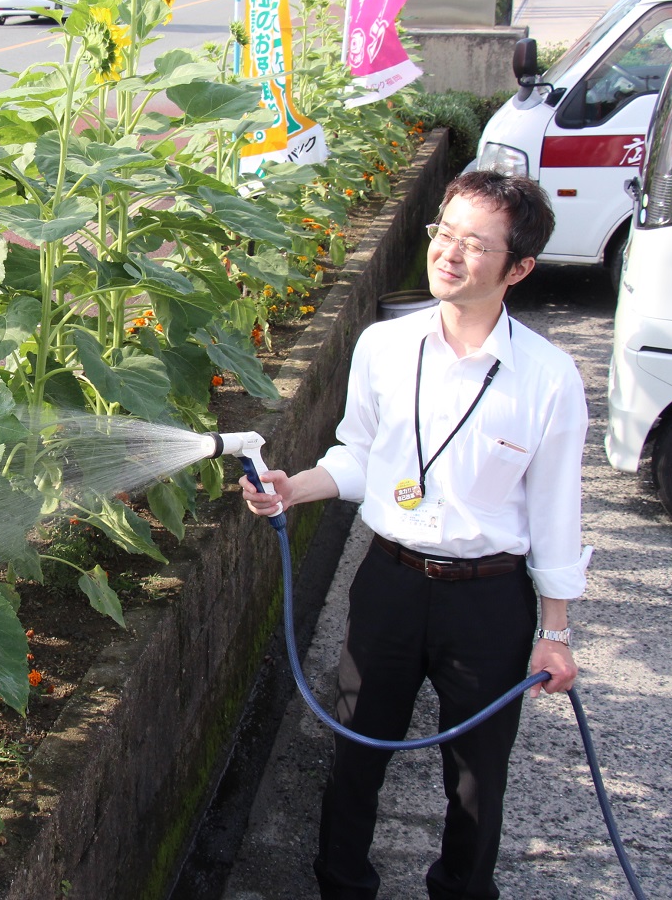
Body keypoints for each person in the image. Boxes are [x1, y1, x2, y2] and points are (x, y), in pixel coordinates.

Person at [242, 170, 588, 900]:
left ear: (518, 268)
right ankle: (342, 883)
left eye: (476, 244)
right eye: (444, 232)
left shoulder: (549, 379)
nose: (449, 254)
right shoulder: (383, 346)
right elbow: (361, 455)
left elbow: (557, 510)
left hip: (489, 601)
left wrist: (554, 631)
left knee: (475, 777)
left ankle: (461, 890)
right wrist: (292, 487)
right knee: (355, 751)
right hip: (390, 583)